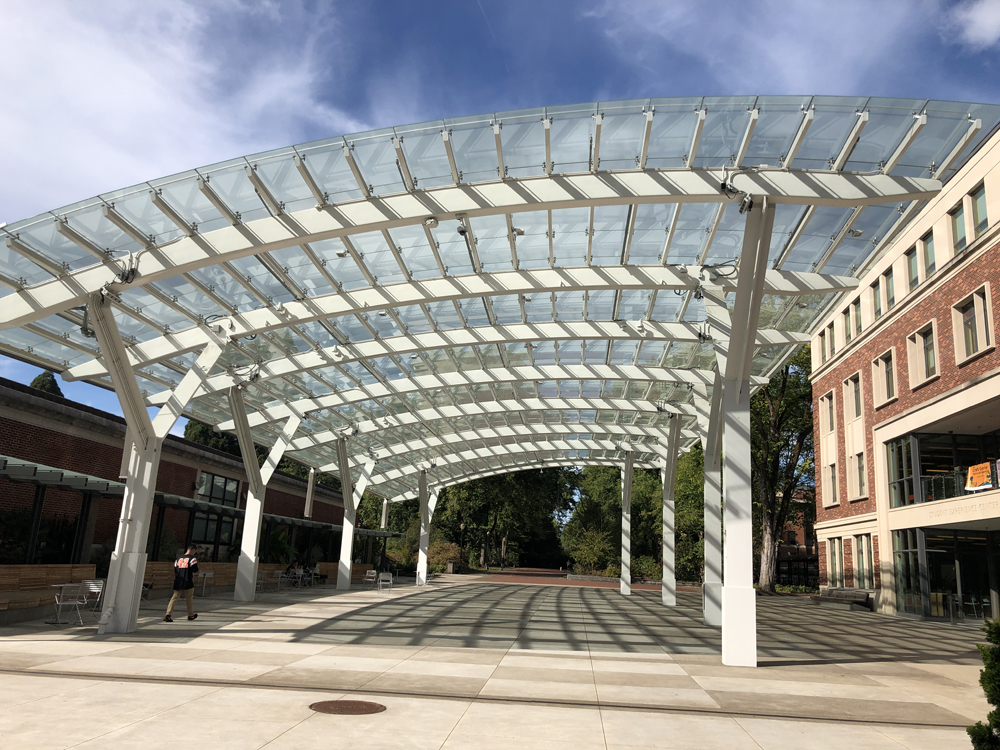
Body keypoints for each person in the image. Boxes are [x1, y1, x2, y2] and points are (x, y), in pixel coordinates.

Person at [165, 546, 199, 622]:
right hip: (188, 581)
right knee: (189, 599)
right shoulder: (192, 559)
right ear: (193, 550)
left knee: (174, 598)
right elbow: (195, 570)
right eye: (194, 551)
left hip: (178, 581)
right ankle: (190, 615)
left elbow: (175, 569)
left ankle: (168, 614)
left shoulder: (178, 559)